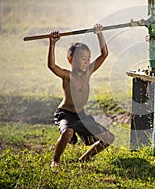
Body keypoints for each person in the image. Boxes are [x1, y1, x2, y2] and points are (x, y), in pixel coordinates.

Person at [48, 24, 114, 168]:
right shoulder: (67, 76)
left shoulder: (88, 72)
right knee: (67, 132)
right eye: (82, 58)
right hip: (65, 114)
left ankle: (82, 160)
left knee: (108, 138)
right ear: (70, 59)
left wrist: (99, 34)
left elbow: (104, 55)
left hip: (81, 115)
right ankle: (55, 161)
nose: (86, 62)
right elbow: (52, 66)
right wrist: (52, 44)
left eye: (88, 58)